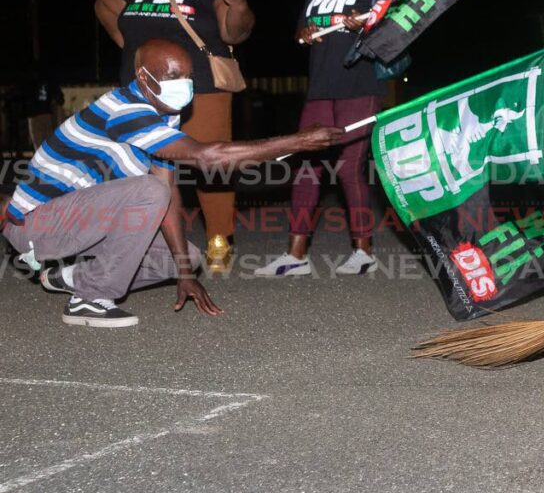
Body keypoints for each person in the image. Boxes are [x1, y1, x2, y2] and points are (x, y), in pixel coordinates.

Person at [0, 40, 345, 328]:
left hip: (80, 224)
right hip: (38, 226)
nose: (184, 84)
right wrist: (298, 142)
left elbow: (167, 194)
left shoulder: (162, 114)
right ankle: (89, 300)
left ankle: (73, 279)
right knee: (148, 190)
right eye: (172, 76)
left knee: (185, 257)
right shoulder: (126, 110)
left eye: (188, 76)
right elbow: (208, 158)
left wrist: (184, 272)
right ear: (143, 77)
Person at [94, 0, 255, 271]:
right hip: (144, 90)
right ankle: (167, 243)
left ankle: (219, 238)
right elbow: (104, 5)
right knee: (152, 168)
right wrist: (127, 43)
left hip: (201, 87)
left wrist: (237, 0)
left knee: (212, 162)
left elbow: (235, 33)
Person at [256, 0, 396, 278]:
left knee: (349, 167)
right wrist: (304, 33)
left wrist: (362, 27)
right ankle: (296, 254)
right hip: (320, 87)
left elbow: (392, 31)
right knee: (307, 167)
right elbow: (303, 30)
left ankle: (363, 251)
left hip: (360, 86)